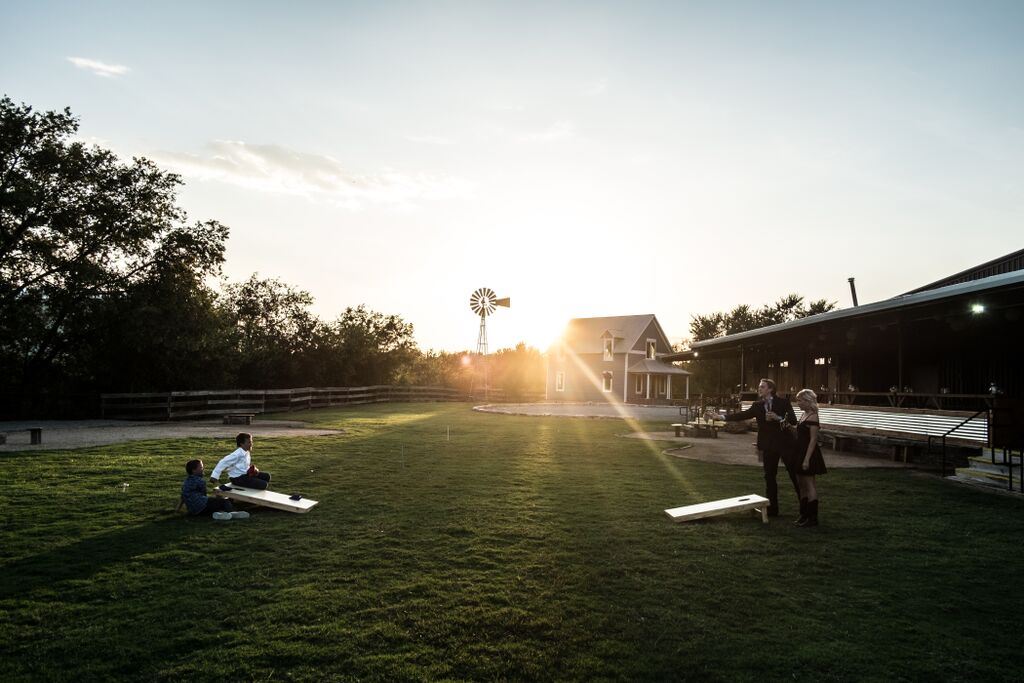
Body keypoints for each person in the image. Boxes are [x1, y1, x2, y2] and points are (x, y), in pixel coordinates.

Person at [707, 378, 799, 517]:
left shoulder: (783, 403)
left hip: (785, 444)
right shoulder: (757, 405)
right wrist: (721, 417)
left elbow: (793, 421)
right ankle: (772, 509)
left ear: (770, 389)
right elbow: (742, 415)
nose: (759, 389)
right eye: (759, 387)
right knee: (769, 477)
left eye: (762, 387)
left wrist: (778, 417)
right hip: (768, 446)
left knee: (794, 475)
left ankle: (805, 509)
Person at [792, 389, 827, 527]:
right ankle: (804, 514)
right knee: (801, 485)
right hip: (799, 452)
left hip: (808, 453)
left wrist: (806, 459)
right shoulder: (803, 415)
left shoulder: (813, 417)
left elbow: (813, 440)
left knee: (809, 485)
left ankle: (813, 518)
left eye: (800, 400)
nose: (798, 403)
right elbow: (799, 433)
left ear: (807, 401)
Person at [181, 459, 247, 519]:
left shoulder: (186, 482)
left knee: (214, 505)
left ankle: (218, 514)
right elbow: (204, 496)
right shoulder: (200, 481)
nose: (203, 469)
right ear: (194, 470)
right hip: (201, 506)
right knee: (224, 502)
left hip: (193, 511)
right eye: (201, 467)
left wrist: (178, 509)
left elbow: (183, 496)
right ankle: (232, 513)